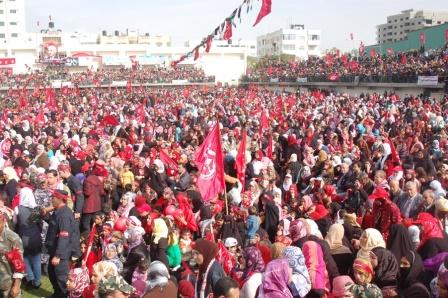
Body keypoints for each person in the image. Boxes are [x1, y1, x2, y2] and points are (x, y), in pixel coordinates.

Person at [44, 189, 78, 298]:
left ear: (59, 199)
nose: (51, 199)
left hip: (61, 254)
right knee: (52, 275)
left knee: (62, 279)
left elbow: (64, 236)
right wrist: (46, 211)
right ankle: (57, 294)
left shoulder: (64, 215)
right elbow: (52, 223)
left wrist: (58, 255)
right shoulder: (58, 211)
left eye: (53, 198)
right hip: (54, 250)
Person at [15, 186, 42, 289]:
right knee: (36, 260)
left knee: (25, 258)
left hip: (23, 237)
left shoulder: (18, 208)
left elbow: (15, 222)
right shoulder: (37, 208)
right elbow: (40, 222)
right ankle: (37, 282)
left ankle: (30, 277)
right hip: (35, 236)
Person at [0, 211, 24, 298]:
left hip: (8, 284)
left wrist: (16, 286)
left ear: (3, 221)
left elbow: (19, 265)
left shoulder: (12, 238)